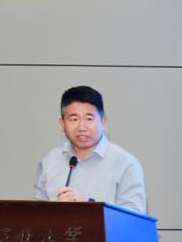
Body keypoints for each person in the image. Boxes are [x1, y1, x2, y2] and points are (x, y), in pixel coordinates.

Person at [34, 85, 146, 213]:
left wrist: (89, 205)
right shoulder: (49, 162)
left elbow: (135, 218)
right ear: (62, 124)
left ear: (103, 122)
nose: (82, 127)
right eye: (74, 119)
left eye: (89, 119)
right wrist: (54, 210)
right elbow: (35, 214)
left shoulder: (126, 164)